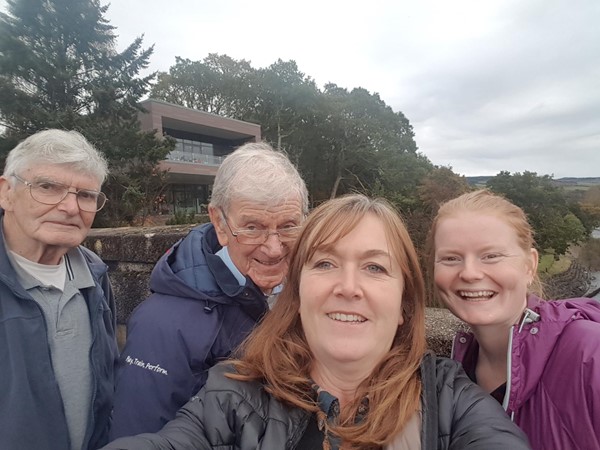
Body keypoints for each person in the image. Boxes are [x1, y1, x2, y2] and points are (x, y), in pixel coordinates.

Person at [104, 194, 528, 449]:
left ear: (404, 304)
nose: (348, 286)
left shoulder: (449, 400)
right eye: (325, 263)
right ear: (298, 295)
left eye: (375, 268)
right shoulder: (234, 394)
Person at [110, 142, 309, 439]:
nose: (273, 247)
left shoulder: (311, 296)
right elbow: (139, 434)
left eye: (288, 226)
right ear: (219, 222)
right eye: (253, 227)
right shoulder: (163, 326)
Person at [429, 189, 600, 449]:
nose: (470, 273)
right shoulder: (456, 366)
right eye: (451, 258)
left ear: (530, 265)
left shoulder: (590, 352)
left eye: (491, 256)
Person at [0, 129, 118, 450]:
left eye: (86, 195)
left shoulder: (94, 275)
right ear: (6, 192)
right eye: (47, 187)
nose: (70, 207)